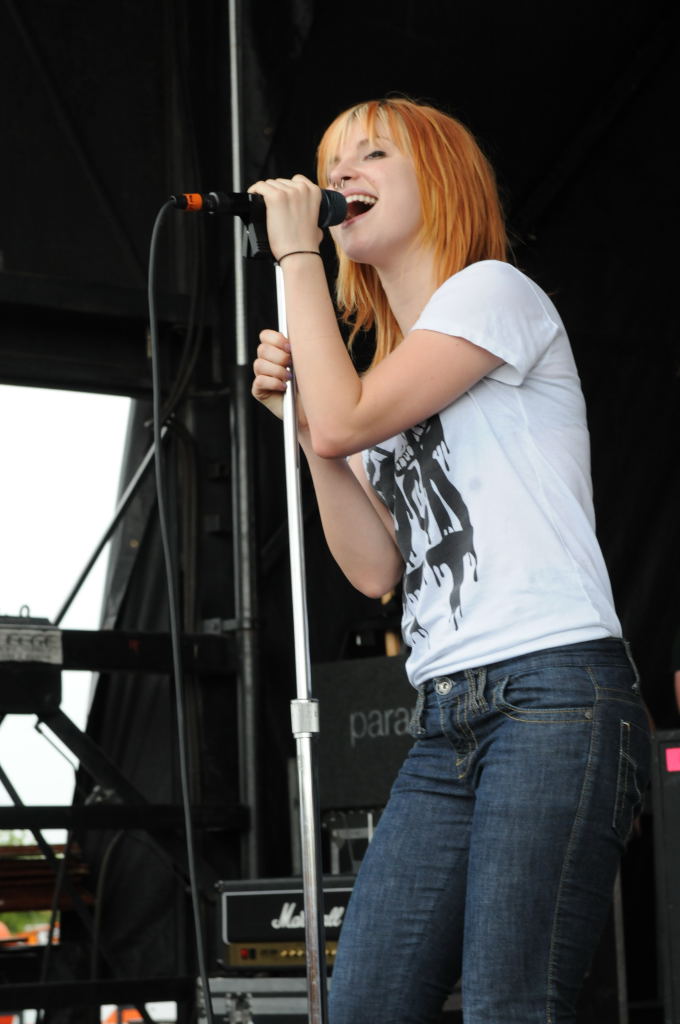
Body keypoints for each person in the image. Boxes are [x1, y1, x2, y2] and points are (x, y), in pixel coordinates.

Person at [249, 97, 651, 1024]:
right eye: (333, 161)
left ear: (443, 182)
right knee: (367, 1003)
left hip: (551, 694)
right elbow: (374, 570)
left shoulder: (492, 294)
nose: (340, 176)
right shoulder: (384, 373)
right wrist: (305, 428)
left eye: (373, 155)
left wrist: (296, 259)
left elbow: (347, 415)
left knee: (511, 1003)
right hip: (446, 715)